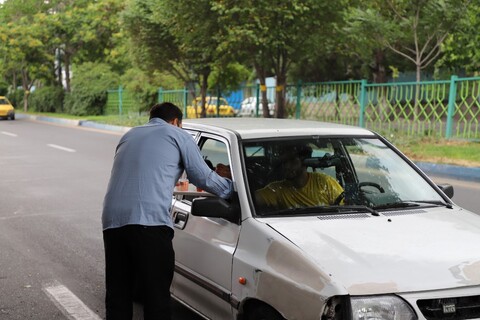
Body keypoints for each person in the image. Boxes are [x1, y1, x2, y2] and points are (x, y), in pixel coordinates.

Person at [102, 102, 233, 320]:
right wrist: (231, 190)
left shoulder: (129, 135)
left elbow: (148, 171)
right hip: (149, 223)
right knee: (157, 297)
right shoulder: (177, 134)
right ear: (175, 122)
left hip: (112, 221)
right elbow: (202, 177)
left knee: (118, 294)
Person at [255, 144, 343, 210]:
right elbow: (250, 200)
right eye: (284, 162)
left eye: (292, 161)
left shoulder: (325, 183)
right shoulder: (277, 190)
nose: (287, 166)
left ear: (305, 162)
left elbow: (345, 207)